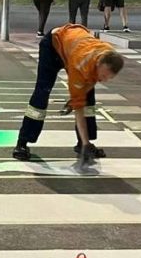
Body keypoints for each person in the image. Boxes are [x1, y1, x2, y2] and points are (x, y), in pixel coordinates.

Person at [12, 24, 125, 163]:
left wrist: (78, 97)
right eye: (103, 76)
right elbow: (79, 107)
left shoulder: (108, 55)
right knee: (42, 92)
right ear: (98, 64)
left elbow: (92, 80)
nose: (104, 80)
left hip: (73, 44)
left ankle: (83, 143)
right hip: (52, 46)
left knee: (89, 100)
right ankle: (22, 143)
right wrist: (75, 100)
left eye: (109, 77)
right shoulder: (81, 64)